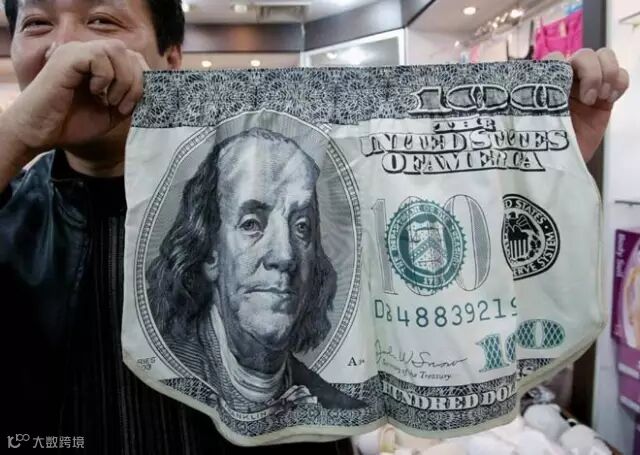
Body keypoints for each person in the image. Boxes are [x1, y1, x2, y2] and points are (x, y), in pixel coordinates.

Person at [0, 0, 629, 452]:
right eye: (37, 23)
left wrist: (538, 167)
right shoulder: (10, 210)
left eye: (102, 20)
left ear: (171, 58)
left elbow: (447, 265)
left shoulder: (300, 203)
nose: (67, 49)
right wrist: (16, 135)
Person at [147, 128, 366, 412]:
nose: (285, 255)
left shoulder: (336, 406)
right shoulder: (155, 379)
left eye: (302, 227)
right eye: (251, 224)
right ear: (211, 252)